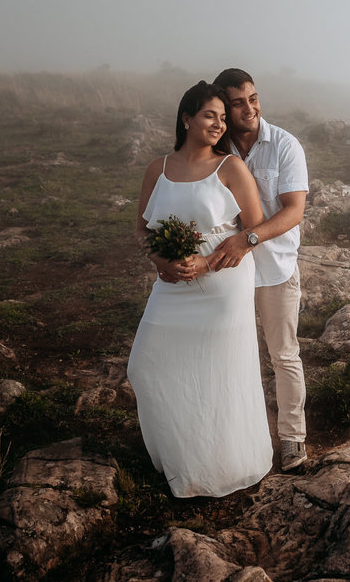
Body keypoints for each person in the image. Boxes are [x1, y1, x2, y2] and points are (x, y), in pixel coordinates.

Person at [126, 81, 272, 497]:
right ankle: (180, 457)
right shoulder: (159, 168)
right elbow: (140, 229)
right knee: (146, 364)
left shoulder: (230, 168)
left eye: (223, 118)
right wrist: (159, 260)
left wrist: (208, 261)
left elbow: (255, 227)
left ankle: (222, 465)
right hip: (171, 286)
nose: (218, 123)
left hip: (223, 284)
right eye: (210, 114)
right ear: (187, 118)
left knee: (218, 373)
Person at [207, 69, 309, 472]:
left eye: (253, 98)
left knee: (283, 355)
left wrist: (248, 239)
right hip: (228, 272)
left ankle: (292, 440)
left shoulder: (284, 145)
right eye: (238, 102)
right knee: (230, 353)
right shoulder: (216, 149)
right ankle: (233, 438)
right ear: (224, 108)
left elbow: (294, 211)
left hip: (275, 268)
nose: (249, 108)